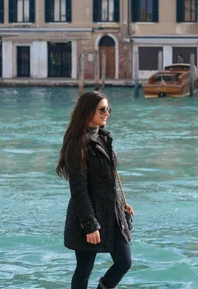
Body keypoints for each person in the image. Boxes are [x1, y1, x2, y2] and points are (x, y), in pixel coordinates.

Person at [56, 91, 134, 289]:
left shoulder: (104, 138)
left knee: (124, 262)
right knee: (84, 269)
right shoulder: (77, 144)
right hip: (87, 214)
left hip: (111, 211)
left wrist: (121, 204)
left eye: (108, 109)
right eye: (102, 109)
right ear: (88, 111)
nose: (106, 113)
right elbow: (79, 189)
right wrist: (90, 224)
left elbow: (108, 179)